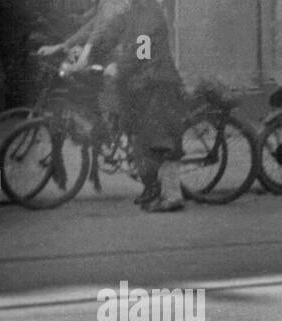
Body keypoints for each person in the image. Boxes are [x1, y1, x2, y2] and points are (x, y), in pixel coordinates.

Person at [38, 0, 187, 213]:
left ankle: (173, 196)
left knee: (161, 140)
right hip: (141, 83)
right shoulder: (133, 10)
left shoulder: (150, 13)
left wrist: (119, 66)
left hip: (158, 82)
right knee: (141, 136)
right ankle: (154, 186)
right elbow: (109, 29)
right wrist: (86, 53)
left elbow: (142, 49)